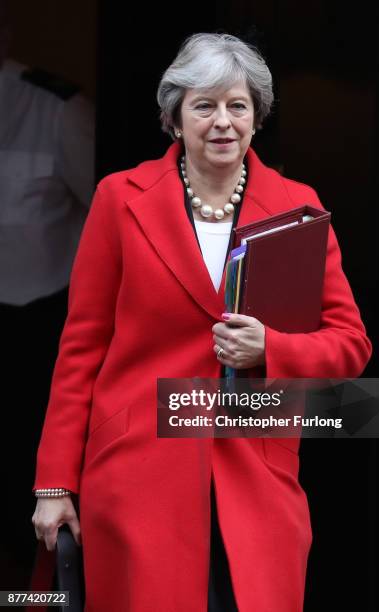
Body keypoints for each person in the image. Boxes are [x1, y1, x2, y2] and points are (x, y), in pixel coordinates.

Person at [32, 33, 371, 611]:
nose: (223, 122)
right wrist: (54, 484)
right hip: (138, 471)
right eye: (204, 105)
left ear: (257, 118)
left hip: (256, 472)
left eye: (237, 106)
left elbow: (351, 345)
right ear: (174, 118)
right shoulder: (121, 198)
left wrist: (272, 348)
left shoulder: (299, 207)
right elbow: (81, 348)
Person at [0, 0, 94, 585]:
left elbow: (110, 224)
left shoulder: (57, 108)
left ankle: (30, 596)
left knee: (28, 481)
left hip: (37, 324)